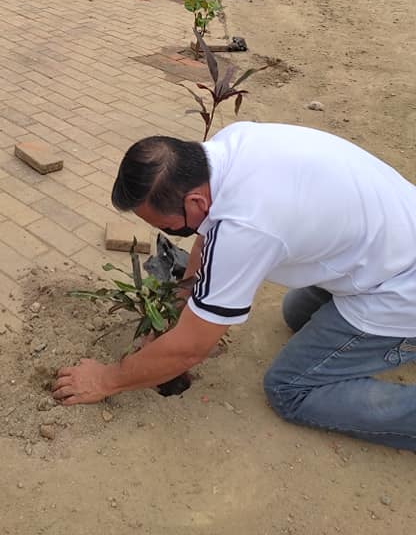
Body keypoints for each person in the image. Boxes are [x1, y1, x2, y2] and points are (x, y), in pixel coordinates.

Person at [53, 121, 416, 452]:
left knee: (289, 389)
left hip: (400, 288)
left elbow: (191, 349)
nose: (170, 233)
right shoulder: (226, 149)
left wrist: (108, 379)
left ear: (195, 202)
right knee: (296, 312)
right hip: (391, 243)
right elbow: (206, 236)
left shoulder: (245, 228)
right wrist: (179, 305)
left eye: (167, 226)